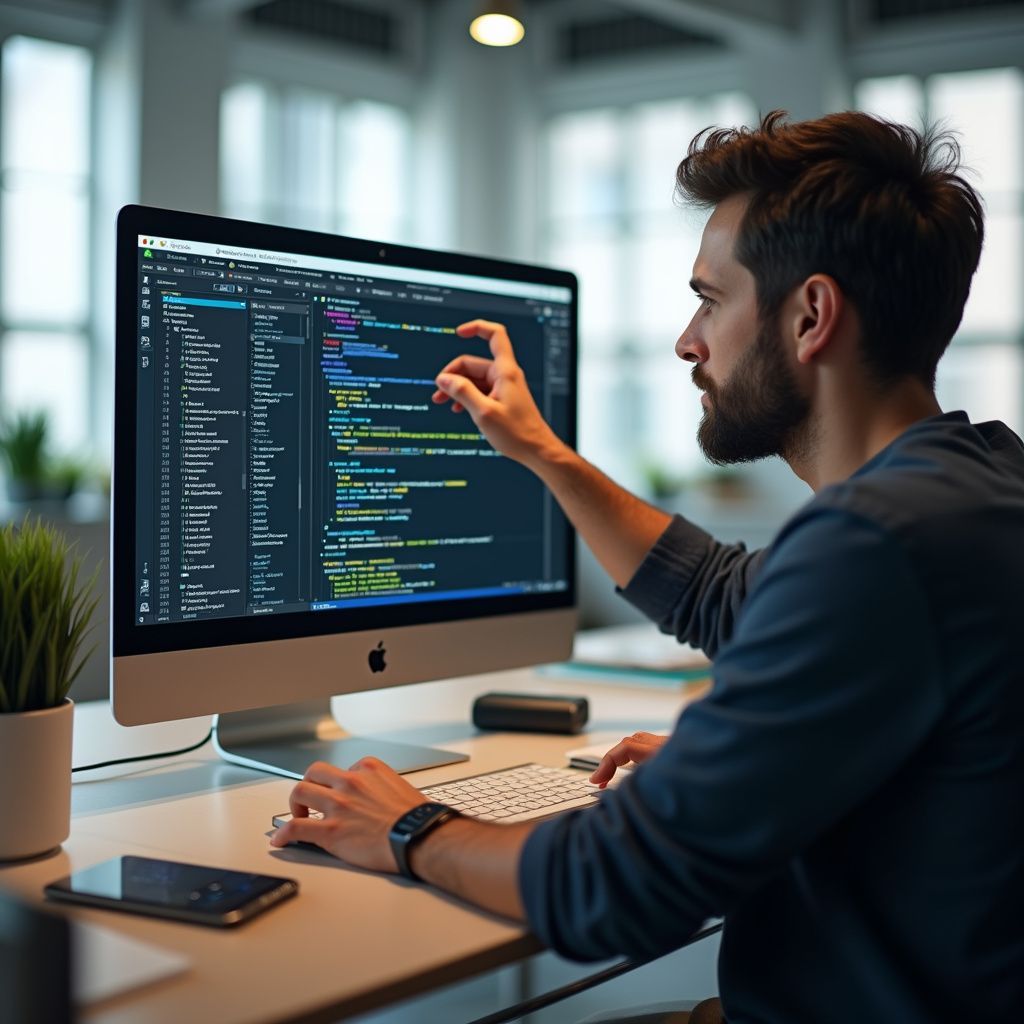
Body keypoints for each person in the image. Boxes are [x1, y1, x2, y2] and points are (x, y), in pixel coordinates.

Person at [271, 111, 1024, 1023]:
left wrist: (409, 826)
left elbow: (616, 885)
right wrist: (544, 452)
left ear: (811, 316)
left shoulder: (876, 544)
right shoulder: (979, 484)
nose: (687, 340)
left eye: (710, 299)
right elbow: (718, 594)